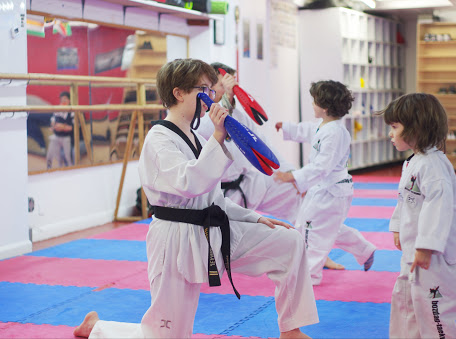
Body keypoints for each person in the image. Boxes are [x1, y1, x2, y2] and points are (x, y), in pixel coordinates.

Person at [73, 58, 318, 339]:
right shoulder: (159, 139)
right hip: (174, 241)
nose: (208, 96)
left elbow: (213, 197)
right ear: (178, 93)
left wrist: (257, 217)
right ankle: (98, 328)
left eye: (210, 89)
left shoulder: (195, 137)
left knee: (289, 243)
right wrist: (217, 135)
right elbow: (189, 183)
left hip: (212, 230)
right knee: (166, 336)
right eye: (203, 88)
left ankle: (291, 331)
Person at [273, 80, 377, 285]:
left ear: (325, 108)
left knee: (313, 230)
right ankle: (364, 250)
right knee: (323, 226)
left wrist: (293, 176)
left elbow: (322, 167)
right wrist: (287, 128)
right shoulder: (325, 125)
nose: (312, 105)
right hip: (326, 189)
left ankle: (309, 275)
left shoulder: (335, 133)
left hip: (331, 190)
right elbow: (306, 130)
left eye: (314, 102)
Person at [377, 93, 456, 338]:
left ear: (416, 128)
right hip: (412, 254)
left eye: (395, 127)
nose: (390, 133)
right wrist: (397, 227)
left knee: (435, 313)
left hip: (434, 258)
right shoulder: (414, 162)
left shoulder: (434, 165)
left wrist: (426, 246)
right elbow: (404, 200)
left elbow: (439, 208)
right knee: (406, 304)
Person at [195, 62, 303, 225]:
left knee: (298, 192)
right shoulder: (200, 118)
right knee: (227, 242)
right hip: (218, 194)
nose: (228, 87)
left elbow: (262, 145)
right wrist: (228, 98)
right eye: (222, 83)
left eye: (231, 81)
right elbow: (216, 124)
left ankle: (311, 237)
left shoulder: (238, 114)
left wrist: (292, 173)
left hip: (247, 183)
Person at [46, 91, 74, 169]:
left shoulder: (72, 112)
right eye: (62, 100)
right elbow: (52, 122)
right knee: (52, 155)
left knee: (67, 157)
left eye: (65, 99)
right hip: (57, 135)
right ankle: (50, 168)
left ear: (69, 101)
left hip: (66, 137)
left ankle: (71, 170)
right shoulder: (57, 109)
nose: (63, 101)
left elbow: (72, 128)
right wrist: (54, 125)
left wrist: (63, 126)